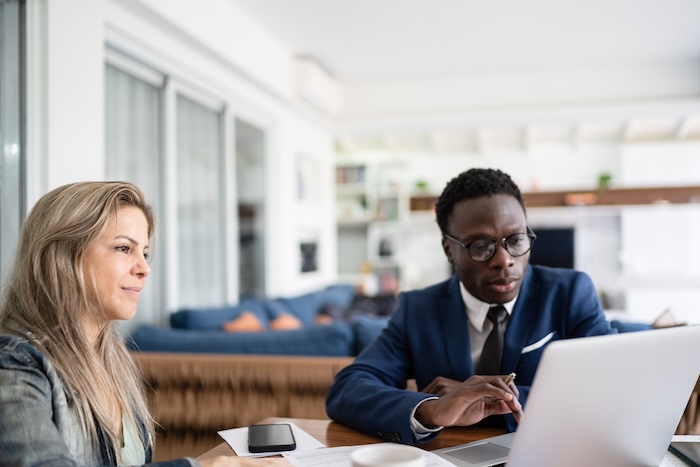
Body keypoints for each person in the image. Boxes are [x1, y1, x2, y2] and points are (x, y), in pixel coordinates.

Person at [0, 181, 284, 467]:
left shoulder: (114, 357)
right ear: (62, 256)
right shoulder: (15, 362)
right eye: (124, 248)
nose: (144, 268)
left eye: (144, 253)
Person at [326, 168, 616, 444]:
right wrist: (431, 409)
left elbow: (611, 383)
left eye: (515, 239)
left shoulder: (569, 292)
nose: (504, 259)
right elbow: (347, 389)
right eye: (480, 245)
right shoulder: (418, 309)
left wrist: (488, 400)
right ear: (448, 249)